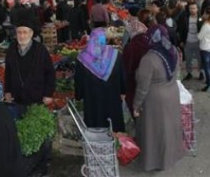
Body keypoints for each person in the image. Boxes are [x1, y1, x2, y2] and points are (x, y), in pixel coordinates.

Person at [133, 24, 184, 172]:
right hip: (172, 94)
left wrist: (136, 105)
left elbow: (142, 87)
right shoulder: (173, 51)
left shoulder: (148, 59)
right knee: (169, 130)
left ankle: (155, 162)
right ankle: (170, 158)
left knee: (155, 132)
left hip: (155, 100)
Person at [74, 28, 126, 132]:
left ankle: (96, 145)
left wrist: (78, 96)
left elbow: (78, 83)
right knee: (114, 130)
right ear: (105, 39)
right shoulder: (116, 55)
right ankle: (114, 144)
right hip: (113, 101)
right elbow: (123, 79)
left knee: (94, 128)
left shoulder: (82, 58)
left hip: (92, 103)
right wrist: (123, 91)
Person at [4, 19, 55, 111]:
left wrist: (48, 94)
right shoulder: (11, 49)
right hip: (17, 97)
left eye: (25, 32)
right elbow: (8, 72)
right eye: (19, 32)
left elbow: (50, 73)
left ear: (31, 34)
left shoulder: (40, 50)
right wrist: (7, 91)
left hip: (37, 96)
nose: (22, 36)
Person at [122, 14, 150, 118]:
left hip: (134, 86)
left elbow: (126, 69)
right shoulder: (150, 42)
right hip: (150, 86)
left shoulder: (130, 47)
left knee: (137, 114)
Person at [183, 2, 203, 80]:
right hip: (188, 41)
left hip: (198, 42)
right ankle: (189, 73)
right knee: (188, 58)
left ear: (197, 9)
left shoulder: (200, 18)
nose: (192, 10)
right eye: (191, 8)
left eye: (194, 8)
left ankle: (201, 72)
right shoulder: (186, 17)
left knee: (199, 59)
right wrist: (182, 40)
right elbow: (183, 29)